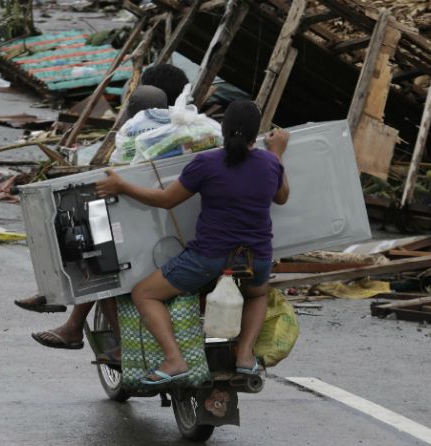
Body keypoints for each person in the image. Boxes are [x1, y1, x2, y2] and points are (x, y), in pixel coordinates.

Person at [94, 100, 290, 385]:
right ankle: (245, 356)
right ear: (254, 134)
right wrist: (277, 152)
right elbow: (282, 197)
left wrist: (122, 186)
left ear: (222, 129)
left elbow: (166, 200)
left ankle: (174, 358)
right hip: (256, 257)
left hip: (208, 258)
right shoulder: (270, 163)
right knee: (257, 294)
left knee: (144, 294)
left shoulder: (206, 162)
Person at [28, 85, 171, 359]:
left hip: (142, 237)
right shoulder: (187, 137)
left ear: (131, 114)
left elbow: (116, 183)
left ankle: (105, 338)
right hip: (172, 235)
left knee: (98, 259)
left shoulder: (131, 138)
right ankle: (68, 317)